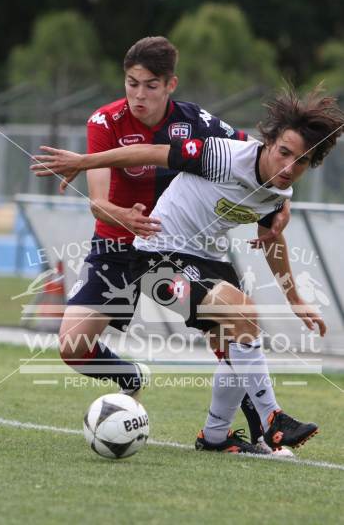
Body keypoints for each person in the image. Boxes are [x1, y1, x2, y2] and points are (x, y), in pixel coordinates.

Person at [31, 84, 344, 453]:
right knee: (243, 313)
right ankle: (273, 418)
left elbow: (272, 240)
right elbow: (148, 152)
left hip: (208, 261)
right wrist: (84, 162)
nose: (290, 167)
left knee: (234, 344)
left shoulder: (281, 191)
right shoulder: (222, 156)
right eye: (284, 153)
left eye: (302, 161)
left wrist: (296, 300)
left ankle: (215, 436)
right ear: (269, 142)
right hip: (156, 256)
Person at [48, 36, 289, 450]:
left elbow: (258, 158)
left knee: (228, 332)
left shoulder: (196, 121)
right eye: (131, 83)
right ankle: (131, 377)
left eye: (150, 85)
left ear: (170, 85)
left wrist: (279, 210)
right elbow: (98, 202)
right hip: (116, 248)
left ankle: (260, 433)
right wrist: (119, 215)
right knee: (72, 347)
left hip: (175, 251)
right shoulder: (103, 123)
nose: (139, 94)